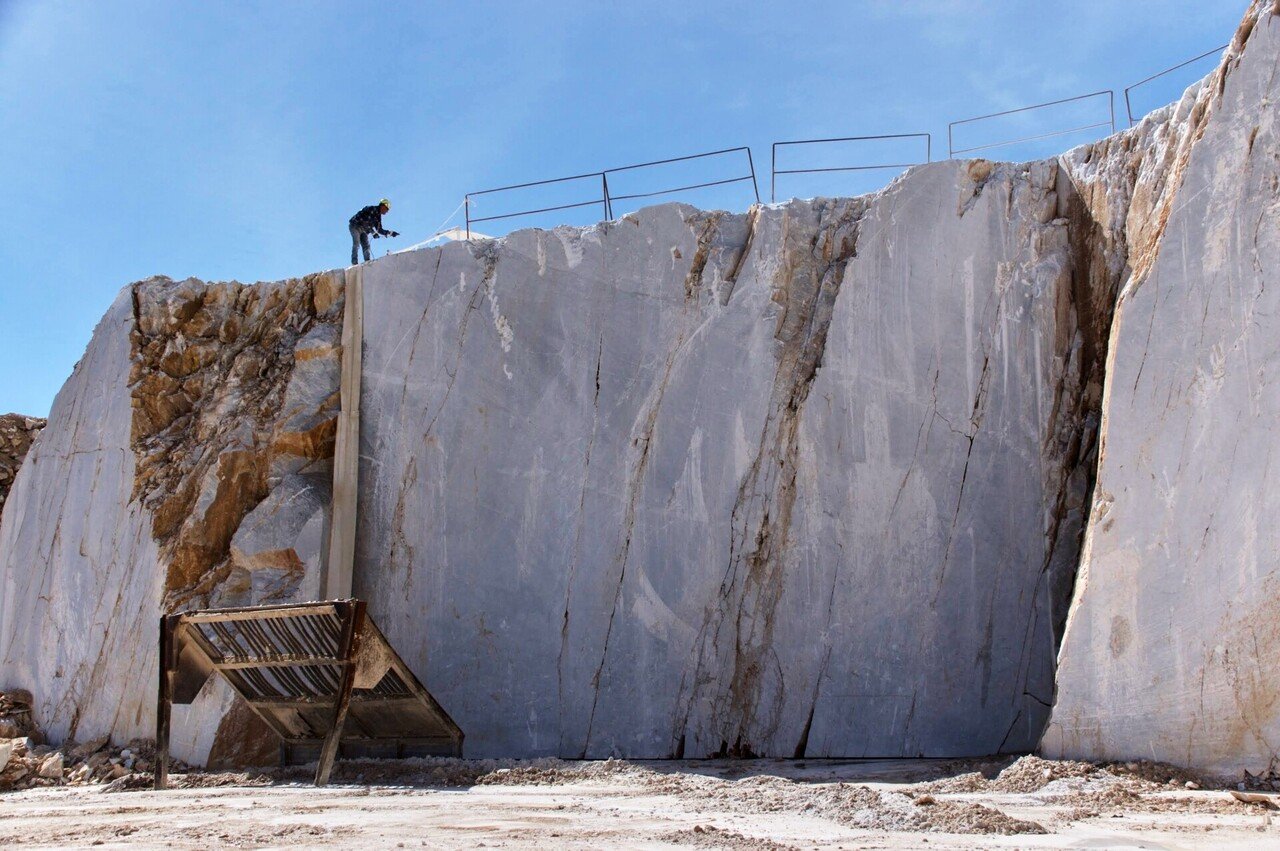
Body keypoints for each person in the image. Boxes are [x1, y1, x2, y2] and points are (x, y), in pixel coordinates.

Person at [349, 198, 399, 264]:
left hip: (364, 229)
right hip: (355, 226)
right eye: (387, 209)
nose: (387, 211)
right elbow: (366, 222)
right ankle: (354, 262)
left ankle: (367, 262)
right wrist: (373, 233)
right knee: (356, 243)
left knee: (366, 246)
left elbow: (379, 230)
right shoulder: (371, 209)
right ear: (382, 206)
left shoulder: (378, 217)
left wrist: (390, 233)